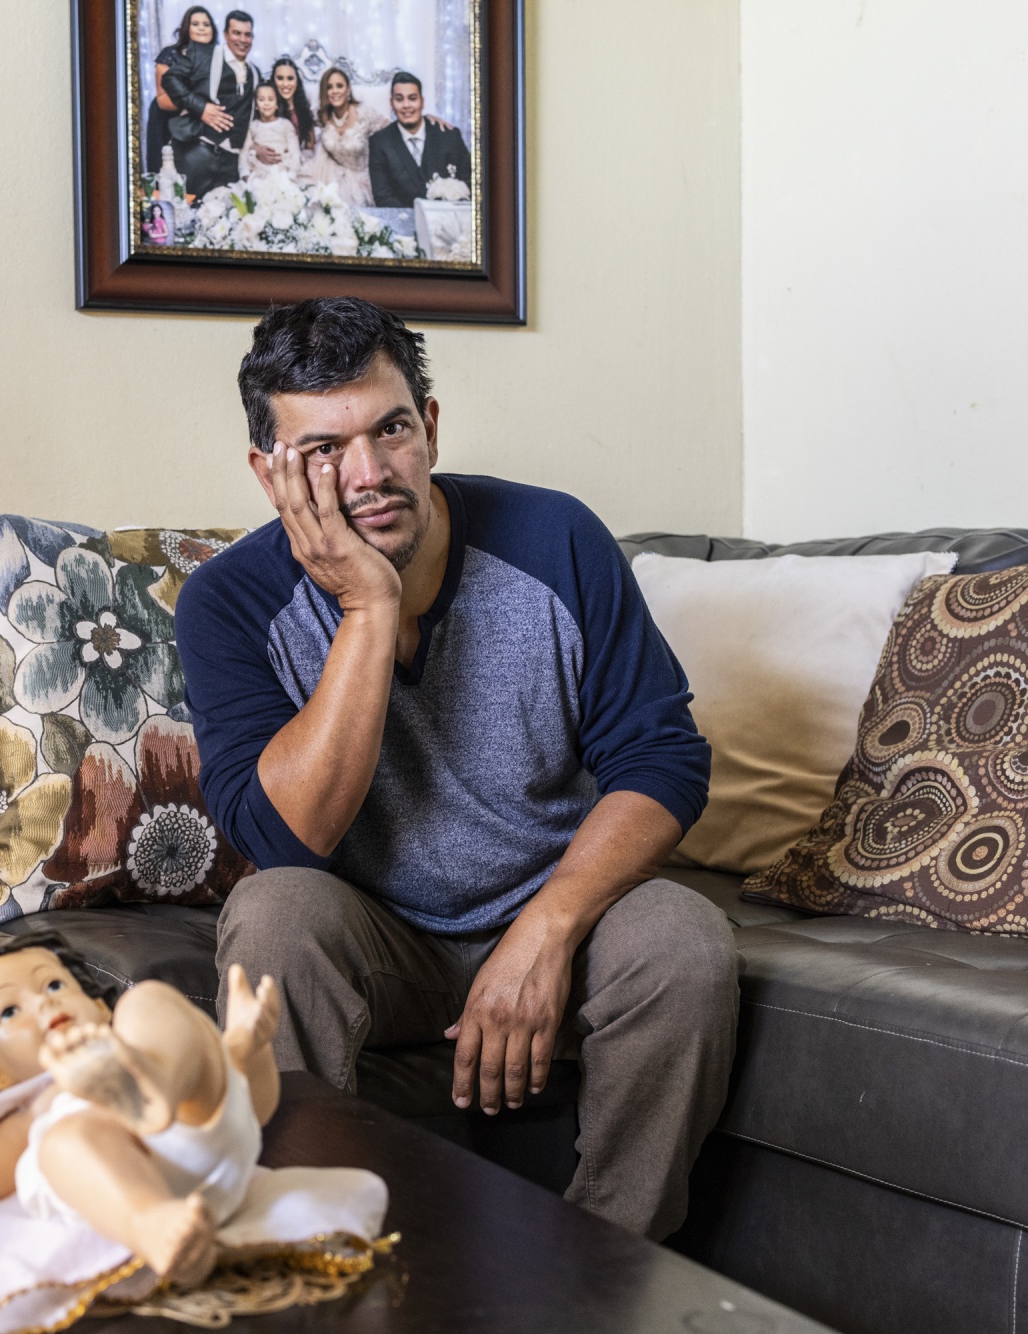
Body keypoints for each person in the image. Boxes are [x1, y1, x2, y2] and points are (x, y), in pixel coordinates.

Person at [173, 297, 738, 1242]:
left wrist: (547, 931)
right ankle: (306, 1261)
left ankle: (608, 1272)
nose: (368, 473)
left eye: (390, 428)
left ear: (427, 427)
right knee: (273, 918)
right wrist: (368, 607)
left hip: (560, 910)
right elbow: (283, 839)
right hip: (375, 939)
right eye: (321, 450)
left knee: (684, 937)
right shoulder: (230, 602)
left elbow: (663, 756)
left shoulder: (557, 539)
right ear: (268, 473)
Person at [0, 932, 283, 1285]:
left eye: (54, 985)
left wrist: (251, 1047)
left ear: (99, 1007)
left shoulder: (132, 1028)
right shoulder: (40, 1108)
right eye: (9, 1011)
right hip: (123, 1191)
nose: (42, 1004)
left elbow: (257, 1110)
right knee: (62, 1141)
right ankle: (153, 1224)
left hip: (190, 1133)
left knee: (148, 1000)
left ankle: (152, 1086)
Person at [161, 9, 261, 198]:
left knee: (227, 219)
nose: (242, 39)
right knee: (188, 214)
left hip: (232, 162)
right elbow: (170, 78)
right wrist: (201, 107)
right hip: (198, 151)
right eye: (236, 33)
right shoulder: (202, 54)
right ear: (225, 34)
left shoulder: (255, 72)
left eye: (247, 35)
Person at [367, 72, 471, 207]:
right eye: (399, 99)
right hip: (405, 223)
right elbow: (383, 197)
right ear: (391, 103)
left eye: (412, 98)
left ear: (422, 101)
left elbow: (469, 182)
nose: (406, 105)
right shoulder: (379, 142)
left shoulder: (449, 136)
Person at [144, 6, 216, 173]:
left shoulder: (220, 57)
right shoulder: (170, 54)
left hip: (205, 122)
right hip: (168, 120)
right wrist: (197, 106)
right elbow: (162, 99)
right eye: (196, 24)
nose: (201, 28)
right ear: (186, 28)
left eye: (206, 24)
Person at [308, 67, 387, 205]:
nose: (335, 91)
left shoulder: (364, 114)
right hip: (331, 177)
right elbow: (298, 113)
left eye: (339, 86)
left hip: (362, 180)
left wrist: (427, 119)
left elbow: (395, 129)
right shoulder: (322, 116)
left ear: (348, 90)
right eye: (329, 87)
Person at [240, 82, 300, 182]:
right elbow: (244, 153)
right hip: (258, 177)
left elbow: (295, 153)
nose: (266, 103)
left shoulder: (285, 124)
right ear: (256, 104)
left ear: (276, 104)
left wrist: (291, 176)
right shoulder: (252, 126)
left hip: (282, 175)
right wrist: (246, 175)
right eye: (261, 99)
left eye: (271, 99)